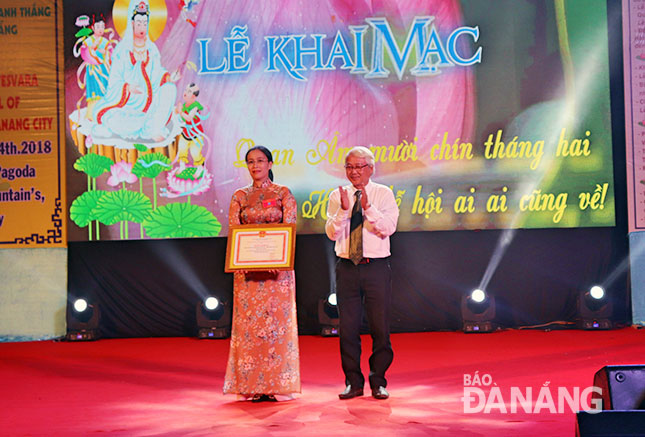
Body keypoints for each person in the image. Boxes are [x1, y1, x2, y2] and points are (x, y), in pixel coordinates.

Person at [223, 146, 301, 402]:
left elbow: (289, 228)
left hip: (277, 273)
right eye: (250, 162)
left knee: (276, 327)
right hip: (246, 274)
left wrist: (281, 259)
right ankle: (252, 385)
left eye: (260, 161)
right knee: (250, 329)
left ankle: (276, 384)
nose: (255, 166)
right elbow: (234, 232)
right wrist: (239, 259)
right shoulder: (239, 196)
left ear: (269, 163)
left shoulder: (283, 194)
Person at [325, 146, 399, 400]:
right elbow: (331, 233)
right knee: (347, 328)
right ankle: (353, 382)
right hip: (347, 267)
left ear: (371, 168)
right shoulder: (338, 195)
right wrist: (345, 211)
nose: (354, 172)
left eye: (359, 167)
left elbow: (389, 228)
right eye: (349, 167)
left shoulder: (384, 193)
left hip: (376, 267)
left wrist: (368, 208)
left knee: (380, 327)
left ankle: (378, 381)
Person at [92, 0, 179, 142]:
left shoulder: (152, 51)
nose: (142, 28)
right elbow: (114, 82)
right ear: (131, 23)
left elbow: (157, 75)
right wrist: (127, 88)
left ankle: (150, 127)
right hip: (126, 107)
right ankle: (149, 127)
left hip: (150, 105)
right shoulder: (122, 51)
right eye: (139, 23)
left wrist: (168, 77)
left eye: (145, 23)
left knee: (170, 89)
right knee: (114, 120)